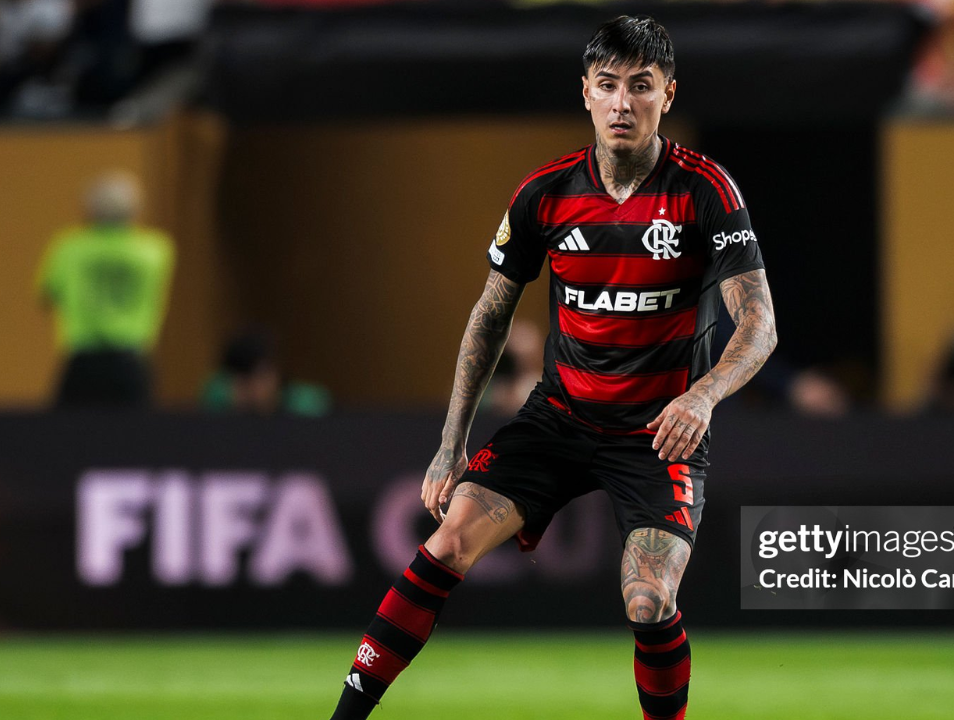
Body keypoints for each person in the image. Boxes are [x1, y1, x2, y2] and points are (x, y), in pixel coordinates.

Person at [326, 16, 777, 720]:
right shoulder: (546, 193)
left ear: (668, 94)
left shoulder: (704, 191)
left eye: (642, 86)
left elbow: (759, 323)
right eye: (608, 86)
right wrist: (451, 443)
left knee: (650, 600)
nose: (623, 103)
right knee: (445, 544)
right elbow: (490, 315)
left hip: (657, 433)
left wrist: (705, 397)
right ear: (587, 95)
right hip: (559, 419)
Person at [37, 170, 174, 408]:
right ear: (135, 208)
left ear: (88, 209)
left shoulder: (69, 248)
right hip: (131, 365)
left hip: (83, 363)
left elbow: (48, 296)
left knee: (66, 440)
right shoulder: (156, 250)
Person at [200, 329, 331, 416]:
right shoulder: (218, 397)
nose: (254, 387)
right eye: (244, 381)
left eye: (261, 376)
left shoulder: (304, 402)